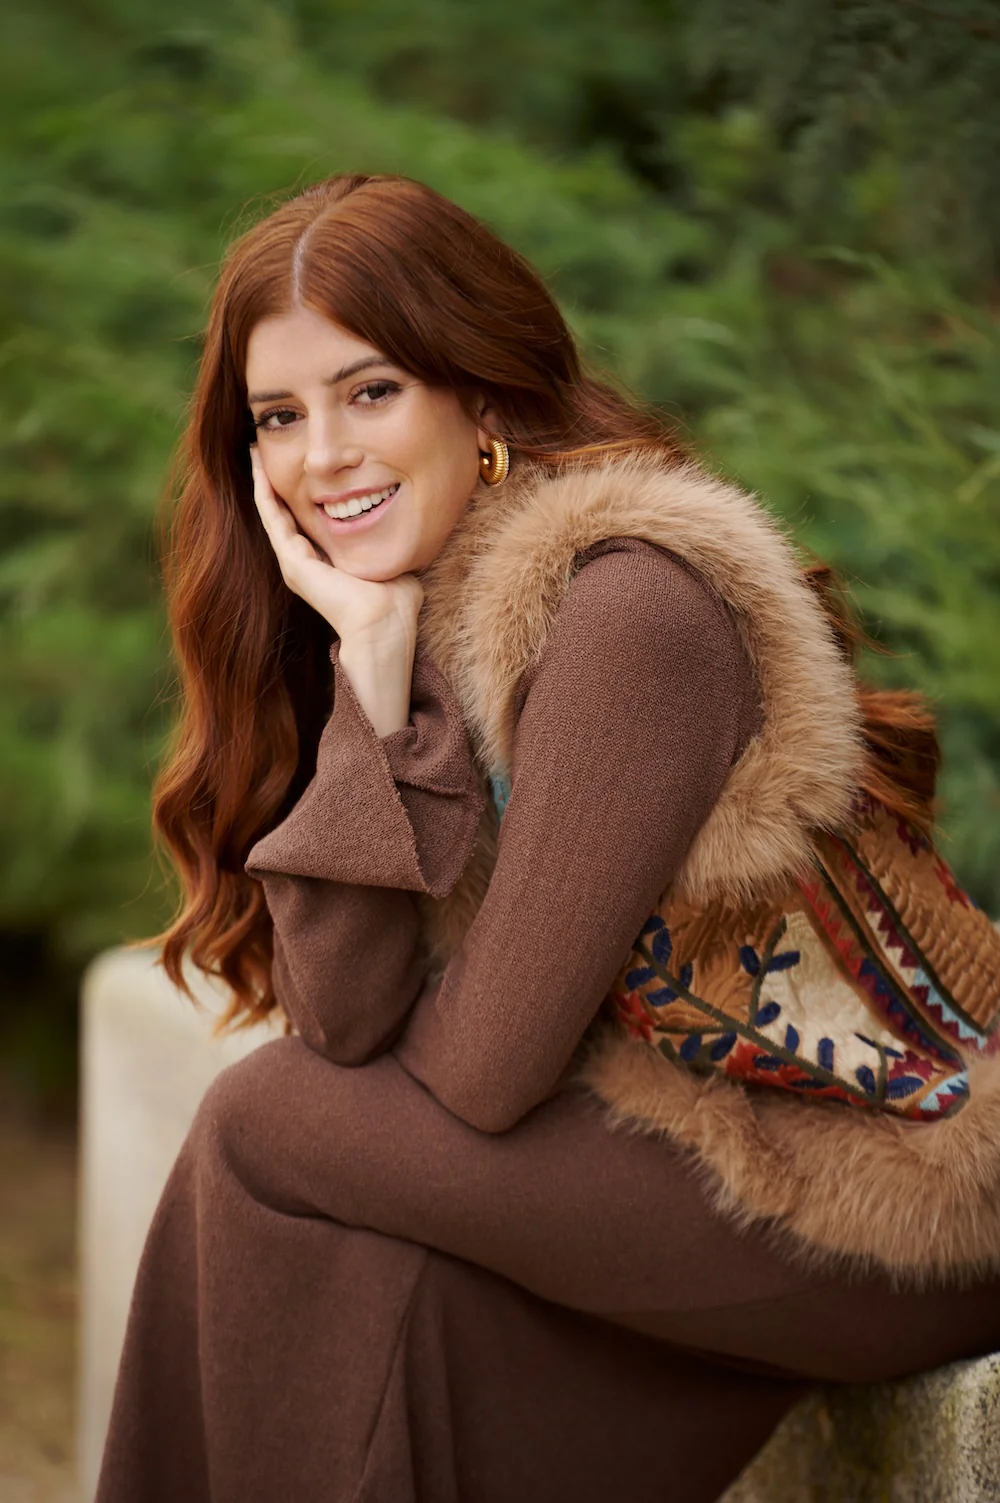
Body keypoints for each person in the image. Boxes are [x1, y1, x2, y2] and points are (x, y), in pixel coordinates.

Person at [96, 173, 1000, 1503]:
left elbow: (480, 1077)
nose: (322, 455)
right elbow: (345, 1018)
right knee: (379, 1290)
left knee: (260, 1118)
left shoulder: (627, 609)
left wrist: (392, 717)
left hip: (897, 1192)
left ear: (483, 396)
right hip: (696, 1147)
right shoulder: (421, 621)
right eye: (278, 417)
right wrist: (372, 687)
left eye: (370, 391)